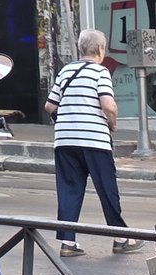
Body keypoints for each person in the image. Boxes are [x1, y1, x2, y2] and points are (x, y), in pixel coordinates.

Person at [44, 29, 144, 258]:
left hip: (65, 141)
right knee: (106, 188)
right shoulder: (100, 72)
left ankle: (68, 242)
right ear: (100, 49)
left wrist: (68, 119)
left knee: (69, 189)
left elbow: (49, 106)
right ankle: (120, 238)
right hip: (94, 140)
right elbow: (108, 105)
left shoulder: (65, 71)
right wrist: (113, 123)